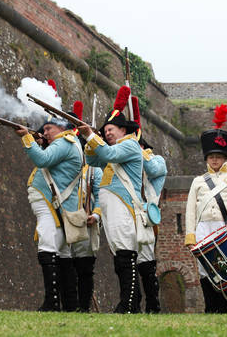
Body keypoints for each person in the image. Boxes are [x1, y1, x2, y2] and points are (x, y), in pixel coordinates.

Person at [78, 85, 143, 314]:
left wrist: (90, 136)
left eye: (111, 129)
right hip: (112, 206)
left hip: (123, 205)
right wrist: (90, 140)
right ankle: (131, 303)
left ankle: (129, 303)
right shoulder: (115, 147)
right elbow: (94, 160)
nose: (107, 133)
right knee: (120, 256)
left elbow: (106, 154)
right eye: (104, 130)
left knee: (125, 254)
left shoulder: (130, 144)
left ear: (124, 129)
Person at [184, 105, 227, 314]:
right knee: (205, 270)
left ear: (225, 158)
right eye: (211, 156)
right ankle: (209, 307)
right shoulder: (198, 181)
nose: (214, 160)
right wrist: (191, 234)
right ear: (206, 158)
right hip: (203, 228)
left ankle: (224, 307)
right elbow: (190, 211)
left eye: (219, 156)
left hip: (224, 226)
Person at [16, 111, 83, 312]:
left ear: (61, 128)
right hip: (55, 202)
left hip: (49, 202)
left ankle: (52, 302)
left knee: (47, 245)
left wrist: (27, 138)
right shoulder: (67, 143)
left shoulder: (64, 142)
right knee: (62, 251)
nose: (44, 132)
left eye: (48, 129)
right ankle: (70, 304)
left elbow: (43, 160)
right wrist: (40, 141)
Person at [67, 101, 104, 313]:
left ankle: (83, 307)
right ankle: (71, 305)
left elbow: (99, 197)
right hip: (67, 221)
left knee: (85, 270)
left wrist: (96, 216)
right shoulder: (65, 169)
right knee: (66, 267)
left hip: (87, 223)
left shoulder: (93, 171)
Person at [132, 96, 167, 314]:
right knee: (129, 263)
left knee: (146, 262)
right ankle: (132, 304)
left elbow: (154, 170)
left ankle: (153, 305)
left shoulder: (156, 160)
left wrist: (138, 152)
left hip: (146, 217)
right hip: (129, 215)